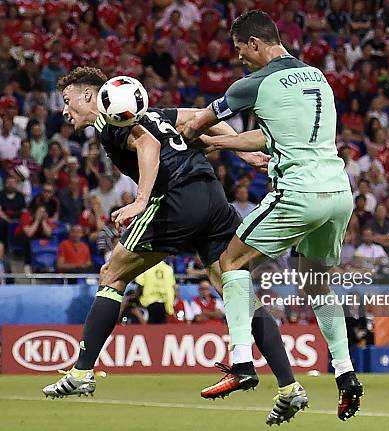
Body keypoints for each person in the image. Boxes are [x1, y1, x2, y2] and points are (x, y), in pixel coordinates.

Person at [43, 67, 297, 426]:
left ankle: (82, 372)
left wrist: (140, 200)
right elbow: (199, 118)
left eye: (68, 101)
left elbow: (146, 144)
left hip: (175, 199)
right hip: (211, 196)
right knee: (237, 290)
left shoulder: (111, 123)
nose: (65, 111)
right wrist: (242, 154)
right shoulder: (154, 113)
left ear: (89, 96)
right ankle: (289, 387)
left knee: (112, 274)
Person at [179, 10, 361, 420]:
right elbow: (273, 133)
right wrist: (232, 148)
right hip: (338, 191)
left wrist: (192, 137)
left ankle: (242, 361)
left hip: (299, 192)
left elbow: (200, 122)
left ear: (256, 43)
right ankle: (346, 374)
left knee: (231, 262)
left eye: (241, 50)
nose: (240, 58)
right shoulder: (317, 77)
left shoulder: (253, 83)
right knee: (316, 286)